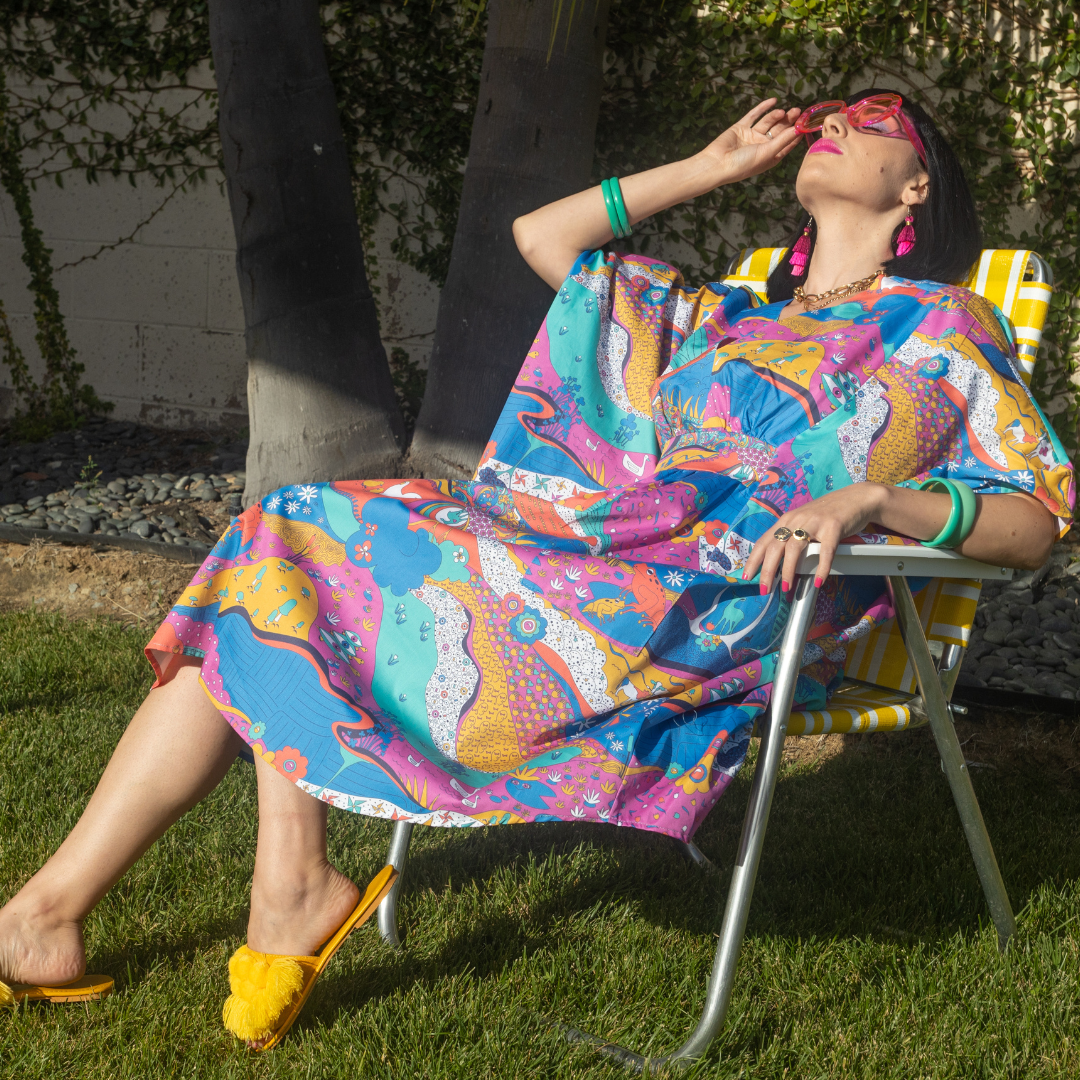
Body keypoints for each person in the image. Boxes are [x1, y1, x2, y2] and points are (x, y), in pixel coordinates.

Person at [0, 90, 1071, 1048]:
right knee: (284, 543)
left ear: (917, 184)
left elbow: (1035, 522)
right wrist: (708, 169)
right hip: (596, 556)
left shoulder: (941, 326)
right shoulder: (719, 316)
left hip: (720, 608)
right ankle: (76, 913)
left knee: (295, 549)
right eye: (832, 110)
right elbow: (542, 235)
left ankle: (209, 895)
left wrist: (873, 499)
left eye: (873, 118)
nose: (835, 119)